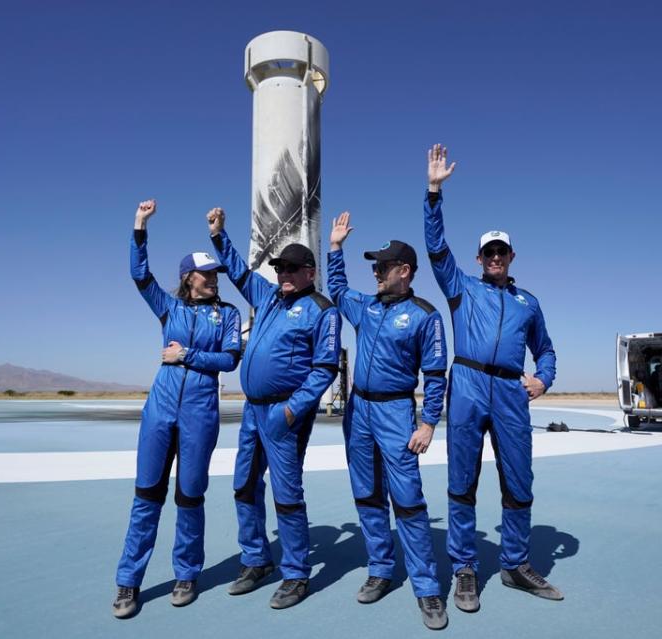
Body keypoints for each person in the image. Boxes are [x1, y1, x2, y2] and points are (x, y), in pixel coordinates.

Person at [423, 144, 562, 611]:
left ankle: (515, 564)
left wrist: (543, 378)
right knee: (462, 481)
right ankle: (464, 568)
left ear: (511, 255)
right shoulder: (462, 287)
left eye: (501, 251)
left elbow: (545, 350)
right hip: (465, 385)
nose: (495, 257)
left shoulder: (529, 303)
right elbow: (436, 248)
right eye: (488, 251)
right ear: (479, 257)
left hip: (509, 391)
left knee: (518, 480)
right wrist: (434, 192)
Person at [113, 199, 242, 619]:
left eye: (215, 274)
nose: (213, 280)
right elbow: (139, 274)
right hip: (159, 412)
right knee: (146, 497)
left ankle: (187, 573)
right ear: (189, 278)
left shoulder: (228, 315)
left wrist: (186, 355)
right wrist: (139, 226)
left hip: (200, 415)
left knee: (190, 497)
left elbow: (229, 360)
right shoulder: (169, 307)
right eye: (207, 275)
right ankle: (128, 583)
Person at [208, 207, 340, 609]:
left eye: (291, 268)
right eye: (280, 267)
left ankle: (297, 574)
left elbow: (325, 368)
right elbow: (236, 271)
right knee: (244, 486)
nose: (283, 273)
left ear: (310, 272)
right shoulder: (267, 297)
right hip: (252, 411)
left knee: (287, 494)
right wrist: (219, 236)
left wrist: (293, 410)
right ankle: (255, 560)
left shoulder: (322, 309)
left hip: (284, 414)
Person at [326, 212, 449, 630]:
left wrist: (429, 422)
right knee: (366, 493)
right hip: (358, 410)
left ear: (404, 271)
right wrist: (335, 249)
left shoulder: (424, 315)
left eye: (381, 267)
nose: (375, 273)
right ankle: (380, 568)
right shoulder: (365, 307)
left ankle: (428, 587)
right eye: (374, 267)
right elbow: (339, 290)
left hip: (397, 412)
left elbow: (435, 375)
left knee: (408, 500)